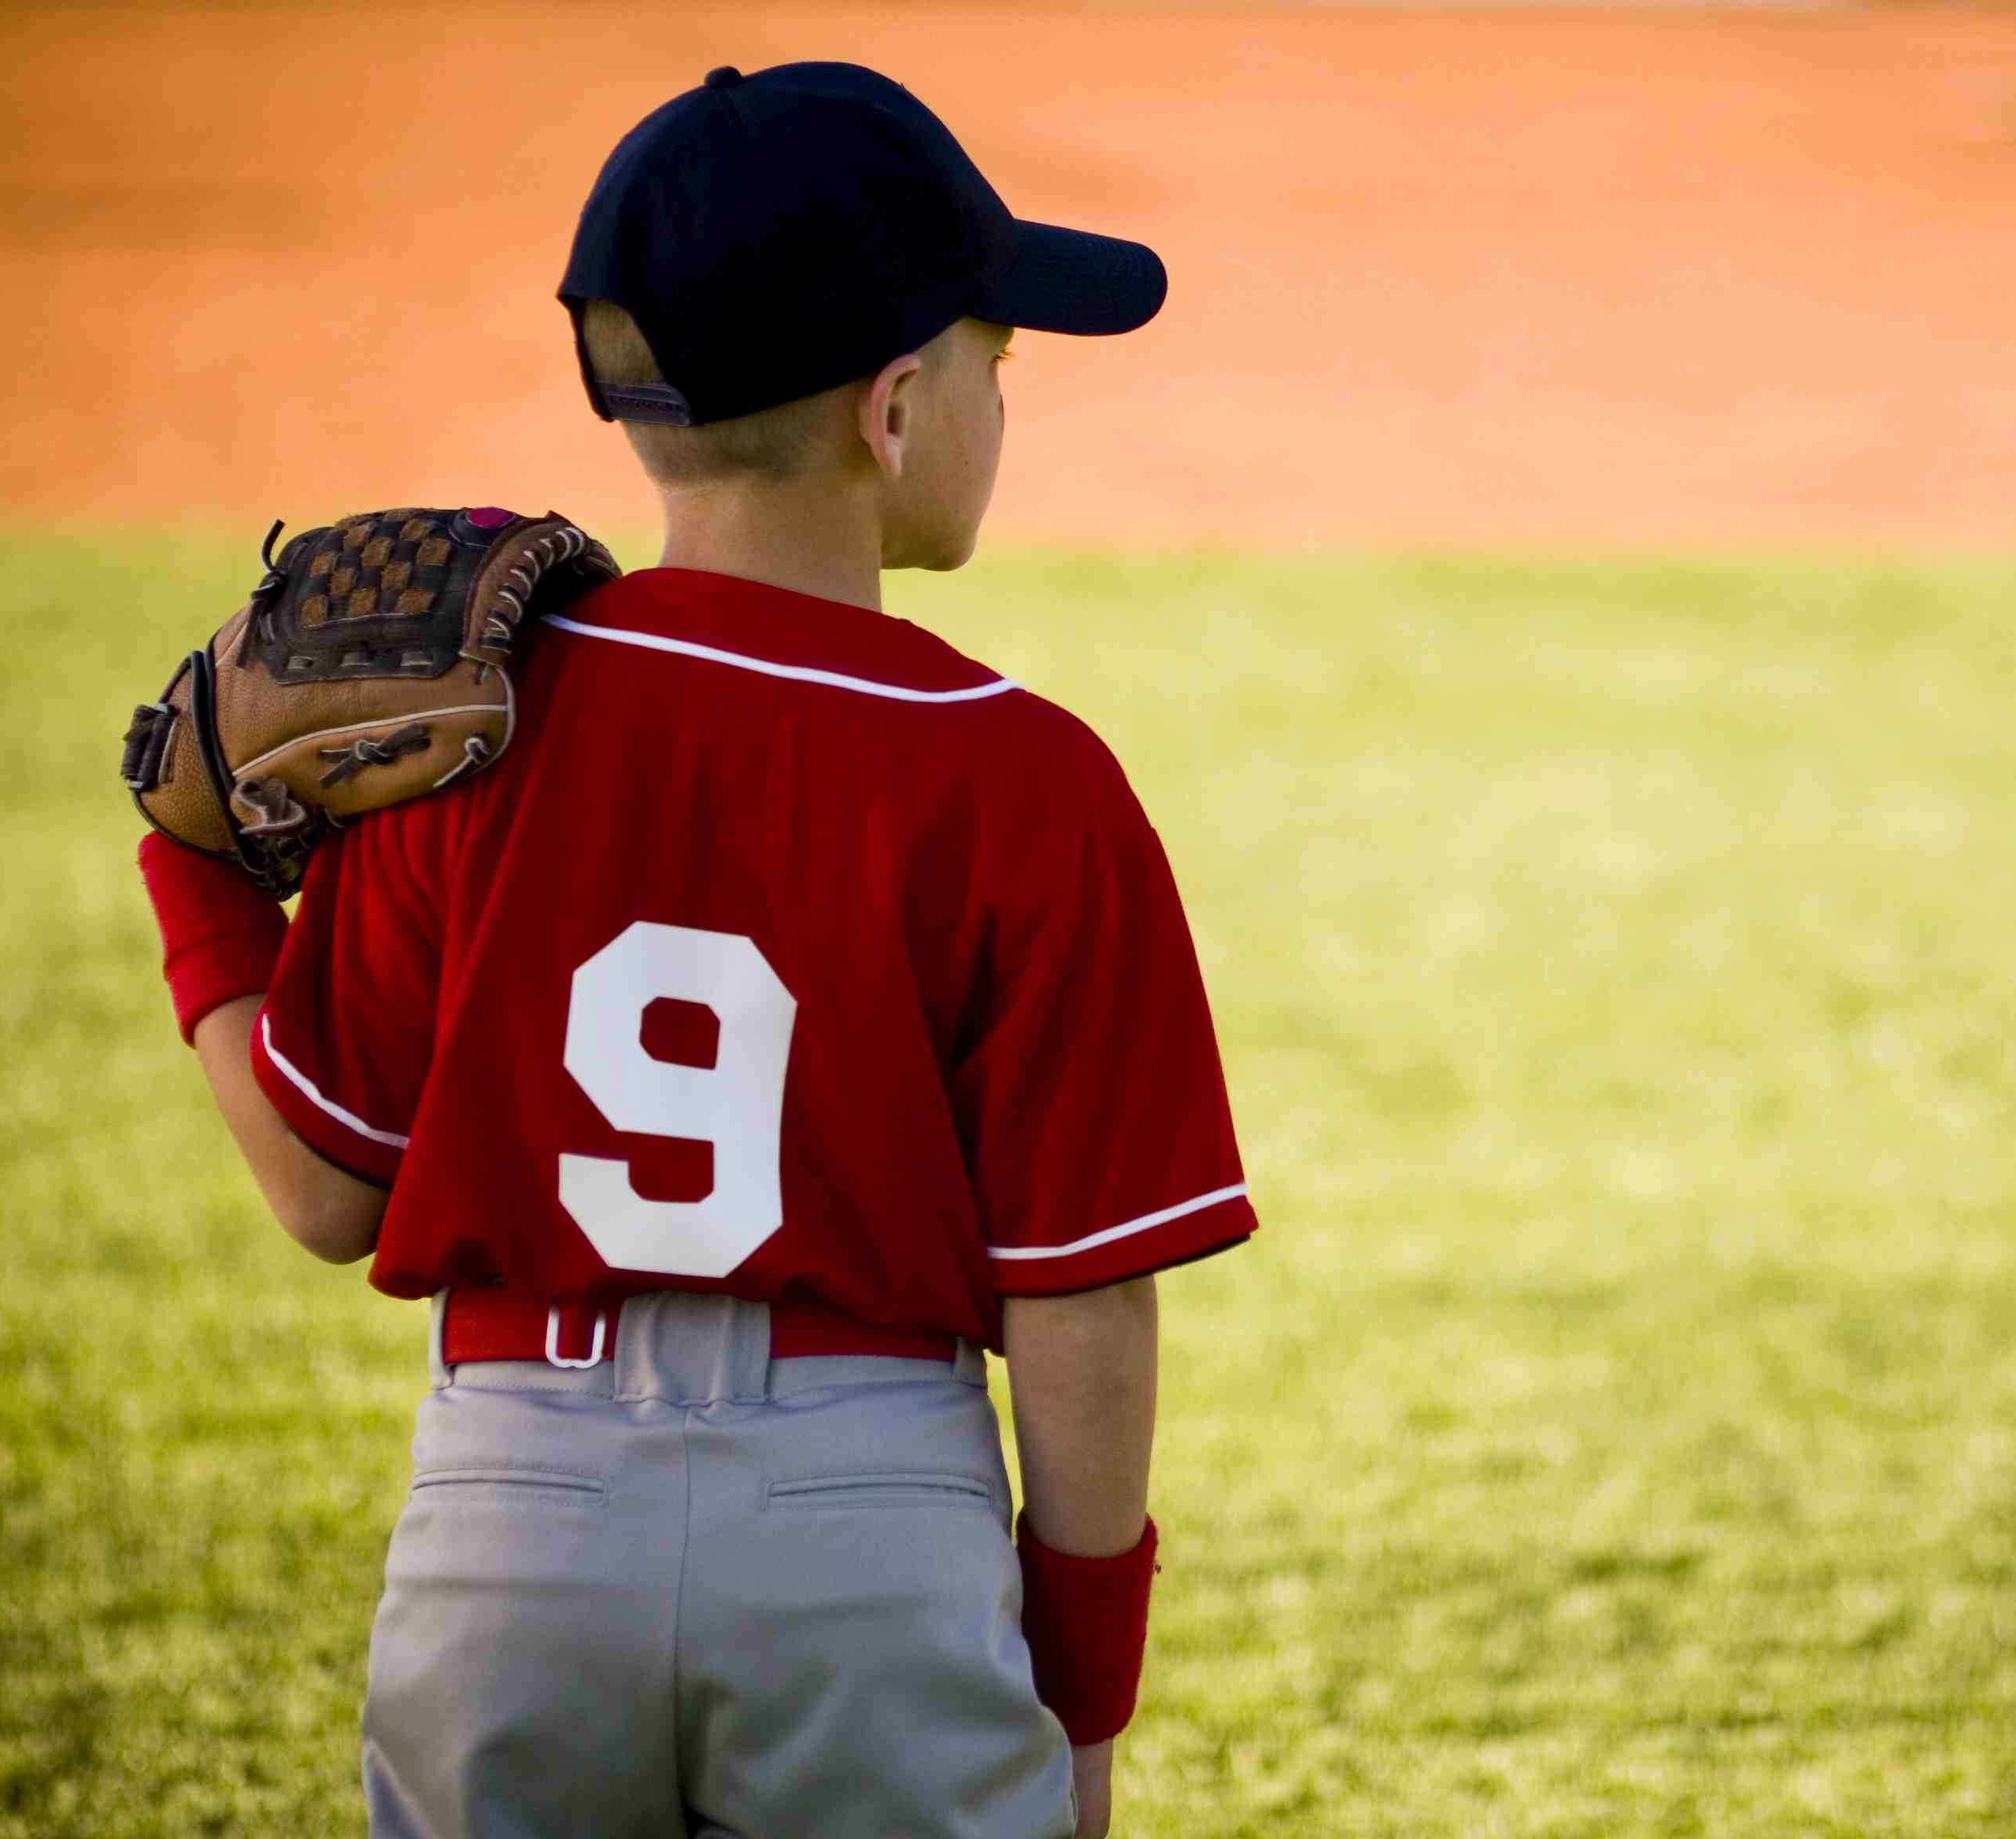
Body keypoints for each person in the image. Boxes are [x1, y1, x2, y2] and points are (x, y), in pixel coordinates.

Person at [131, 61, 1257, 1839]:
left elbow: (328, 1185)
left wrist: (189, 872)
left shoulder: (463, 738)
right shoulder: (1030, 776)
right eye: (996, 363)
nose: (1000, 404)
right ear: (896, 410)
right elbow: (1082, 1294)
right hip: (862, 1517)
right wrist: (1087, 1698)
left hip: (515, 1509)